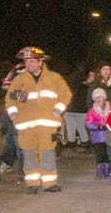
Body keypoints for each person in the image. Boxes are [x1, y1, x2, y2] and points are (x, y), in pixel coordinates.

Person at [5, 47, 72, 193]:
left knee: (47, 154)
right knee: (29, 155)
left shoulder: (54, 78)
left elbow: (65, 95)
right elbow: (9, 100)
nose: (28, 64)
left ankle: (49, 183)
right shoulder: (19, 80)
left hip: (47, 125)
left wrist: (58, 110)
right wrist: (14, 115)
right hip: (26, 126)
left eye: (31, 61)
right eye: (26, 61)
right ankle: (32, 184)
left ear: (40, 62)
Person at [85, 87, 111, 180]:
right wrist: (98, 126)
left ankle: (107, 172)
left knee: (108, 154)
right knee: (100, 155)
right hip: (98, 136)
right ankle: (100, 172)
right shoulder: (92, 111)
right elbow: (88, 124)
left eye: (100, 97)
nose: (98, 99)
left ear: (104, 97)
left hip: (109, 136)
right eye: (96, 98)